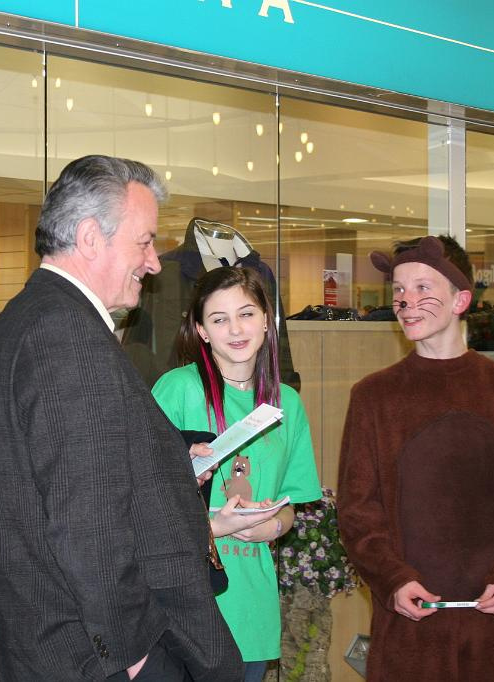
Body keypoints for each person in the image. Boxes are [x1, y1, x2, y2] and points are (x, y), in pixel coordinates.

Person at [0, 155, 243, 682]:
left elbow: (58, 474)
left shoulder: (28, 316)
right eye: (144, 242)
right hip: (95, 653)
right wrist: (133, 655)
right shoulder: (69, 336)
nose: (153, 263)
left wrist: (167, 461)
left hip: (54, 642)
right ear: (90, 238)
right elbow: (87, 525)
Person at [336, 235, 494, 682]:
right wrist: (393, 579)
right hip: (410, 630)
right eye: (399, 290)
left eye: (422, 287)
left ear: (461, 300)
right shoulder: (374, 396)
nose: (406, 301)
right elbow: (358, 511)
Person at [151, 267, 321, 682]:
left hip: (251, 607)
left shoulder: (287, 403)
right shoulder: (178, 389)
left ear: (266, 320)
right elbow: (140, 505)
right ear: (202, 331)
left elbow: (291, 504)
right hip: (188, 610)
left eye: (246, 314)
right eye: (219, 319)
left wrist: (273, 526)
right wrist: (213, 527)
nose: (235, 329)